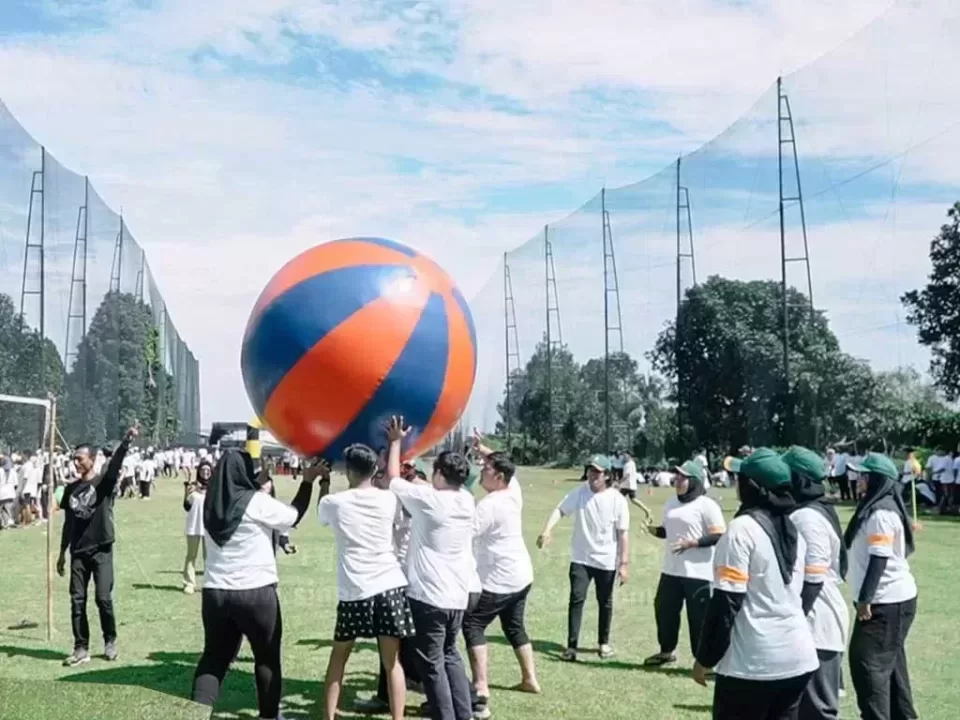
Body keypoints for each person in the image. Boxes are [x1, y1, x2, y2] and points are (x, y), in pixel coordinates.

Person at [191, 449, 316, 720]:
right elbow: (292, 516)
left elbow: (238, 494)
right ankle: (269, 716)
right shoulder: (256, 502)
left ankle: (194, 715)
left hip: (215, 593)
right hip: (255, 592)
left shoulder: (209, 502)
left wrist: (259, 478)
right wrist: (307, 482)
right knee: (266, 657)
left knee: (214, 658)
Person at [693, 448, 818, 720]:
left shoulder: (741, 530)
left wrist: (705, 658)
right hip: (798, 658)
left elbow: (726, 604)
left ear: (751, 486)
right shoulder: (794, 528)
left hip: (755, 664)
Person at [385, 416, 476, 720]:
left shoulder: (430, 501)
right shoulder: (466, 500)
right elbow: (422, 487)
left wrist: (396, 441)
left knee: (432, 665)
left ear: (438, 474)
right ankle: (464, 714)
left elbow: (393, 478)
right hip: (457, 598)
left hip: (429, 598)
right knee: (450, 656)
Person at [318, 443, 414, 720]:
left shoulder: (334, 502)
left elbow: (322, 513)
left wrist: (323, 483)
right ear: (375, 469)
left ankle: (329, 717)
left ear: (348, 471)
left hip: (354, 590)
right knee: (392, 662)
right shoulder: (390, 499)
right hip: (389, 584)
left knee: (339, 657)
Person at [461, 449, 539, 719]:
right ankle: (530, 679)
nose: (482, 469)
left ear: (500, 476)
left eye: (487, 467)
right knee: (514, 625)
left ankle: (481, 686)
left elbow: (465, 534)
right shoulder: (513, 491)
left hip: (500, 580)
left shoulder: (490, 504)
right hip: (521, 576)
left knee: (472, 624)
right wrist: (483, 448)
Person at [844, 452, 918, 720]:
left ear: (876, 479)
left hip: (885, 603)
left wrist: (865, 599)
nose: (858, 478)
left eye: (863, 474)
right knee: (893, 670)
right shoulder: (877, 507)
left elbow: (880, 558)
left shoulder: (881, 513)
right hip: (890, 601)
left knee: (869, 670)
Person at [57, 426, 138, 667]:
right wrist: (61, 553)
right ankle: (80, 647)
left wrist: (126, 442)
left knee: (103, 598)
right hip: (78, 553)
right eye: (74, 459)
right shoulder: (70, 489)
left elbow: (114, 465)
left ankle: (110, 640)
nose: (76, 463)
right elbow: (68, 523)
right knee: (77, 601)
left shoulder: (102, 483)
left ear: (91, 460)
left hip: (101, 549)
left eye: (79, 459)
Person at [537, 454, 629, 661]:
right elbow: (560, 510)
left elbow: (623, 534)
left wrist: (623, 564)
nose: (592, 475)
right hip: (581, 558)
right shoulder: (579, 493)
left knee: (605, 602)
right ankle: (571, 647)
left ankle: (603, 643)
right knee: (576, 600)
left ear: (607, 475)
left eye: (597, 472)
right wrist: (546, 530)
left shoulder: (617, 500)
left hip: (606, 560)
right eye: (590, 470)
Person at [782, 447, 849, 720]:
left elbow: (814, 577)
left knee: (817, 709)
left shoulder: (807, 517)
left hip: (816, 623)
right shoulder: (809, 510)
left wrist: (793, 619)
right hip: (812, 621)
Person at [644, 459, 725, 667]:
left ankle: (704, 661)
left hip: (698, 572)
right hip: (671, 569)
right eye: (676, 475)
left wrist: (694, 543)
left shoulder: (707, 505)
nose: (677, 480)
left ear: (695, 481)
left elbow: (718, 535)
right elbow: (668, 531)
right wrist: (654, 530)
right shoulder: (671, 502)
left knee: (699, 619)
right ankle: (666, 651)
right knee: (664, 609)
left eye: (682, 477)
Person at [182, 458, 212, 594]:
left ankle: (209, 583)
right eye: (203, 470)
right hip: (193, 525)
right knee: (191, 555)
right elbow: (186, 506)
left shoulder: (214, 486)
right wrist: (187, 493)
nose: (205, 473)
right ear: (199, 471)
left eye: (208, 470)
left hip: (209, 527)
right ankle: (189, 583)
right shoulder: (192, 486)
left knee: (210, 556)